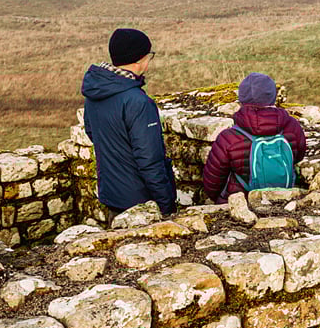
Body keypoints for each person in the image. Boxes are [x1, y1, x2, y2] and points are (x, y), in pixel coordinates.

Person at [81, 28, 177, 219]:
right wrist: (167, 205)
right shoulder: (138, 102)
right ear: (139, 59)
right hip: (141, 204)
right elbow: (150, 161)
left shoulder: (95, 93)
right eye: (149, 55)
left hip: (111, 196)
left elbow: (93, 133)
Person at [201, 73, 308, 203]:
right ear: (273, 96)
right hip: (285, 199)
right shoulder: (292, 126)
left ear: (242, 98)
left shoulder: (228, 138)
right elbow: (298, 156)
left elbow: (212, 183)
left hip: (243, 203)